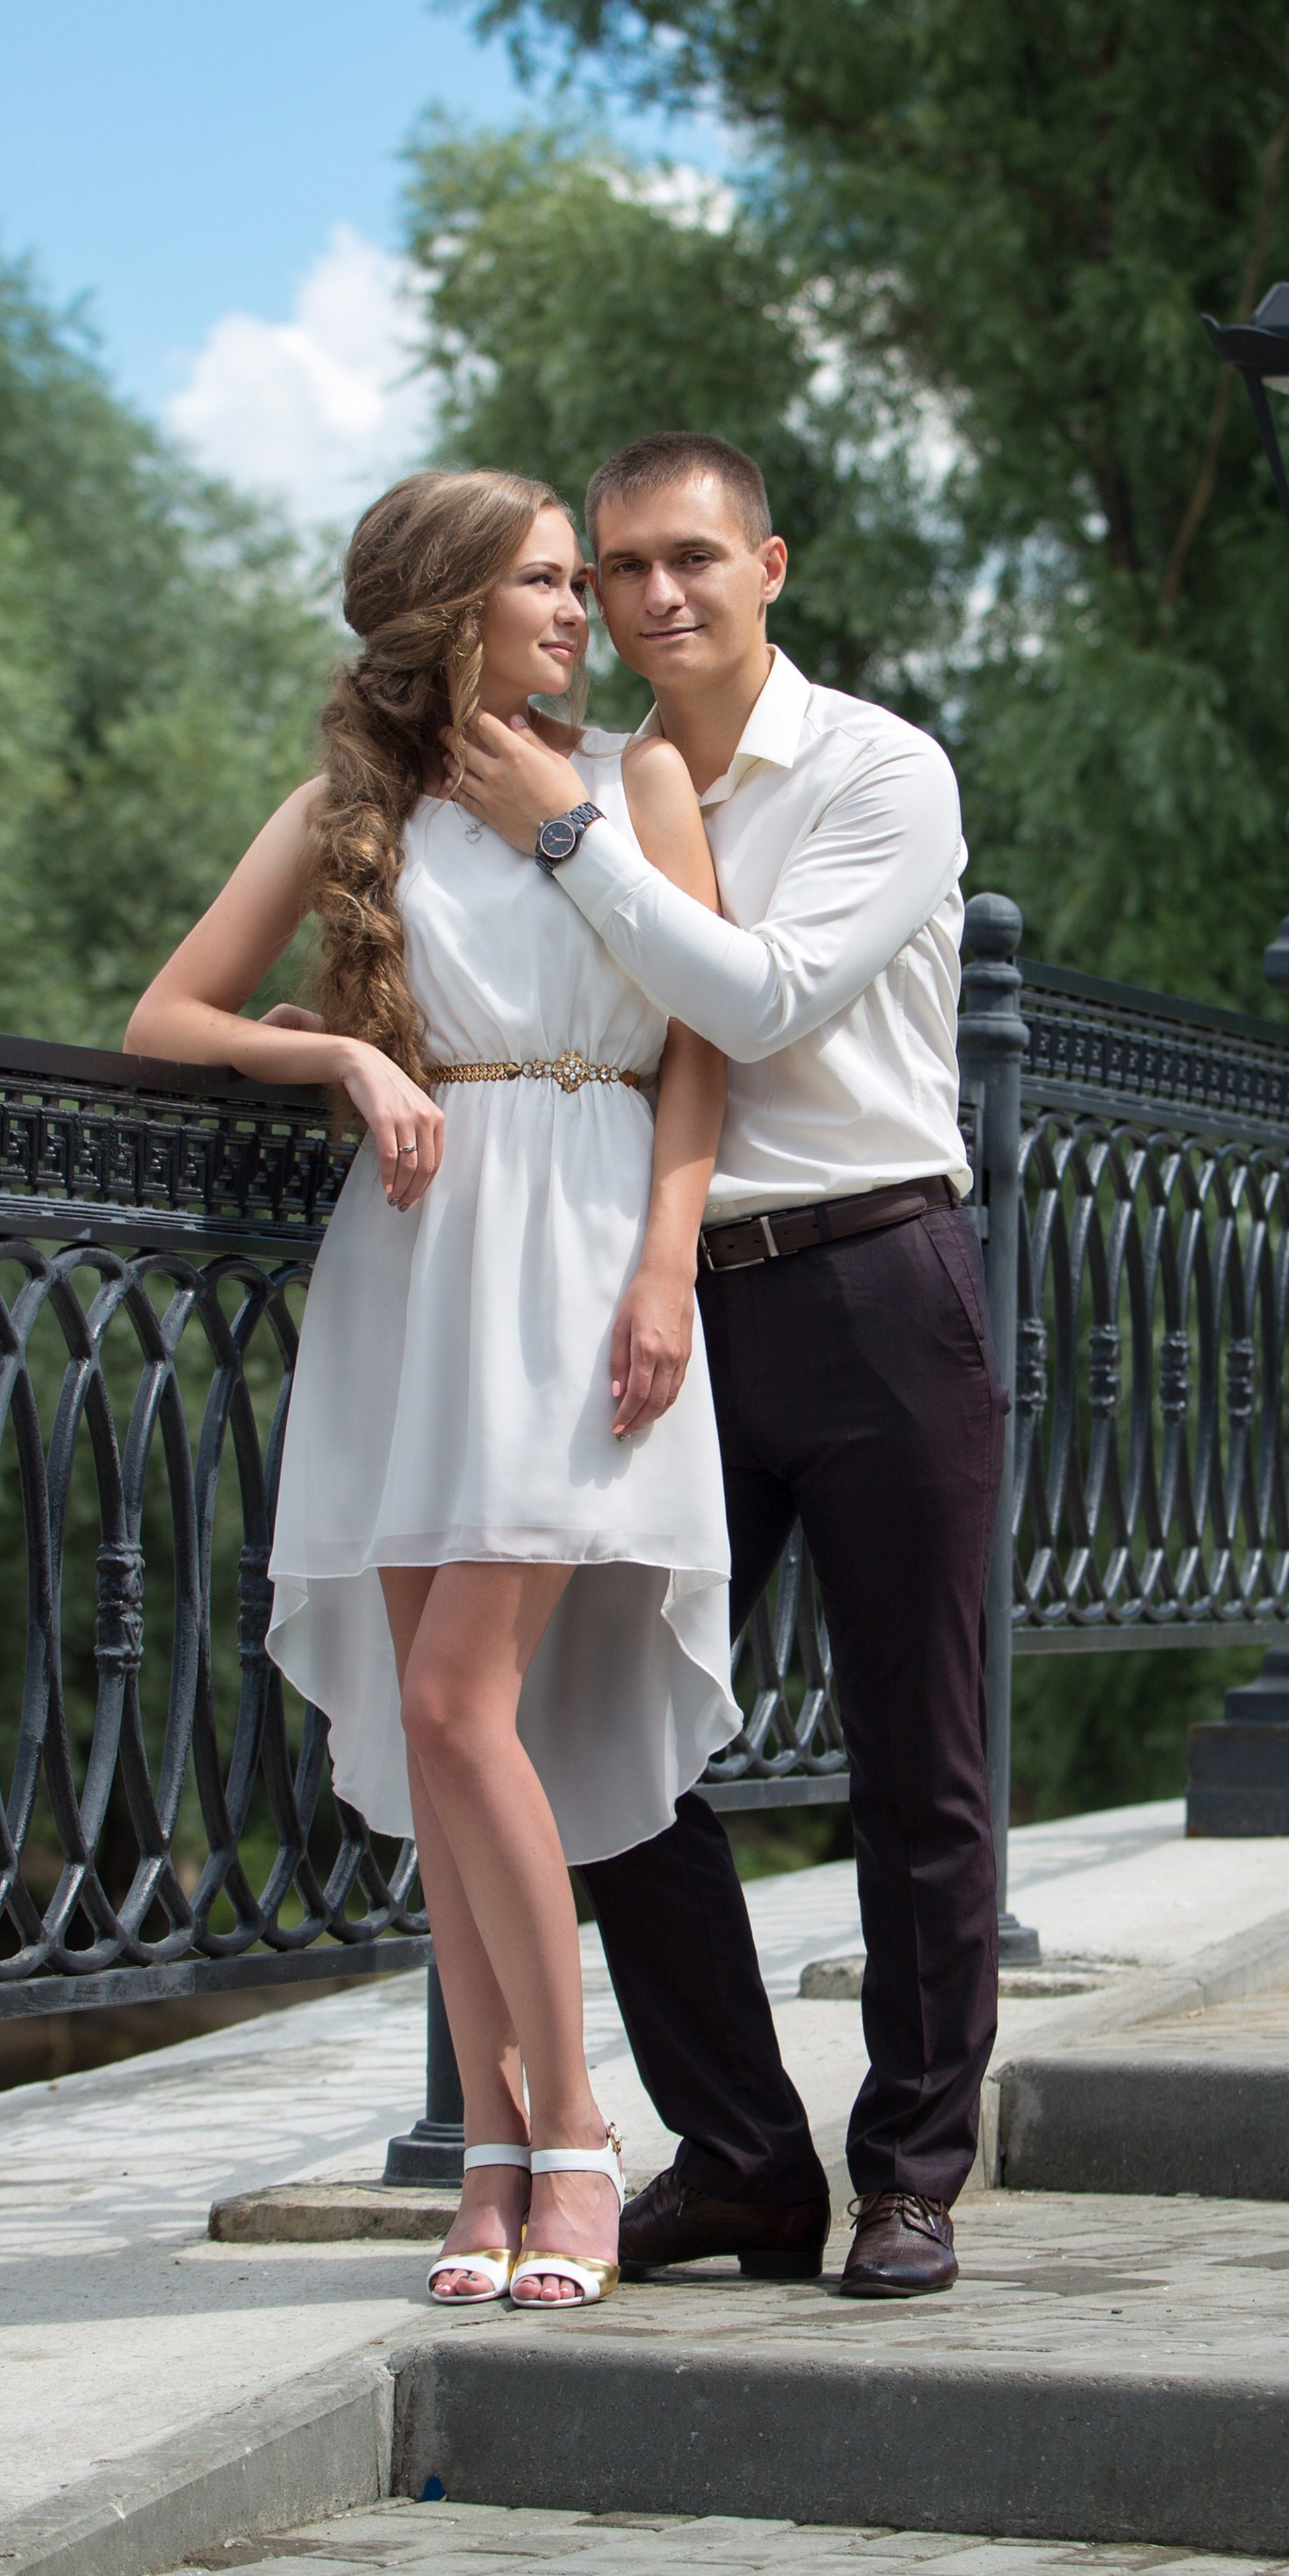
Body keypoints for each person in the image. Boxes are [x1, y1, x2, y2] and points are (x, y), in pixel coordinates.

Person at [125, 468, 739, 2312]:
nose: (584, 611)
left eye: (582, 580)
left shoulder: (627, 781)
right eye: (546, 584)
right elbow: (170, 1018)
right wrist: (341, 1056)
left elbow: (702, 1044)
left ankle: (578, 2142)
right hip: (412, 1270)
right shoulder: (349, 807)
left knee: (466, 1707)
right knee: (440, 1715)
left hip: (573, 1258)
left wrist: (663, 1265)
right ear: (450, 611)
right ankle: (488, 2159)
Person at [441, 429, 1007, 2298]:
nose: (654, 593)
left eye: (693, 555)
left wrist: (569, 839)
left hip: (870, 1282)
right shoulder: (589, 772)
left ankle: (912, 2169)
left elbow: (754, 1000)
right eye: (617, 568)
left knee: (914, 1751)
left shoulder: (878, 771)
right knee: (604, 1737)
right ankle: (748, 2157)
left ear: (772, 564)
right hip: (656, 1305)